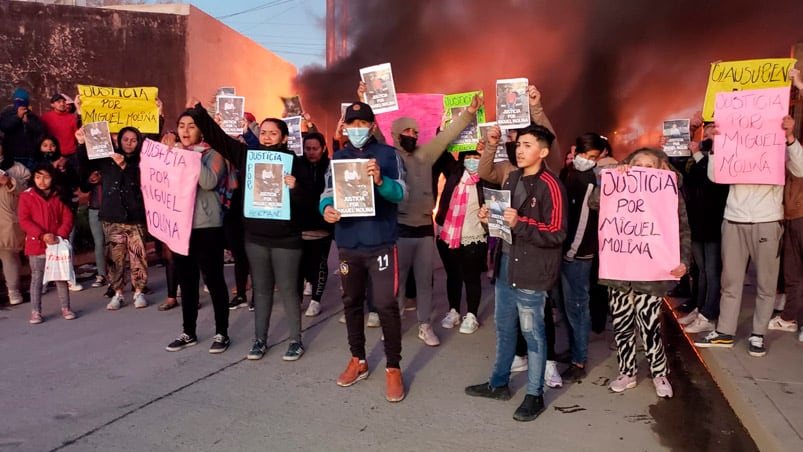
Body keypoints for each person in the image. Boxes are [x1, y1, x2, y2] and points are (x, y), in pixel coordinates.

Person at [188, 100, 307, 361]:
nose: (266, 137)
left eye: (273, 133)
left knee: (288, 291)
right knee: (261, 291)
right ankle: (259, 340)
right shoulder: (248, 156)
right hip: (255, 237)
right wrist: (200, 113)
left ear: (285, 137)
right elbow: (220, 140)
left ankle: (296, 340)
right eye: (263, 132)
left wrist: (295, 187)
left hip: (287, 239)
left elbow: (308, 202)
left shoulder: (295, 163)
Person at [465, 124, 566, 422]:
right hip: (506, 262)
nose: (520, 149)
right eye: (519, 144)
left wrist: (520, 223)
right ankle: (498, 383)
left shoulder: (552, 185)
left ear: (543, 152)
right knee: (504, 328)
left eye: (528, 145)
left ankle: (534, 394)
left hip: (534, 271)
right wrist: (488, 220)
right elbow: (502, 226)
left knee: (532, 334)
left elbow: (557, 232)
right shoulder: (511, 178)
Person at [320, 101, 407, 402]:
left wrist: (381, 181)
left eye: (362, 124)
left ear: (372, 126)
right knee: (351, 302)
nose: (356, 129)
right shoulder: (339, 157)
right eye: (351, 124)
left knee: (385, 305)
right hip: (348, 243)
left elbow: (401, 193)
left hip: (380, 242)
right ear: (344, 127)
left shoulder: (388, 155)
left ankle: (393, 367)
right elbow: (327, 194)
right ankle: (358, 359)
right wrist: (326, 209)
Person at [695, 115, 803, 356]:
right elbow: (715, 177)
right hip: (734, 219)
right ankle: (725, 332)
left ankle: (758, 334)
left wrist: (789, 137)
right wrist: (715, 145)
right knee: (730, 281)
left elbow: (800, 169)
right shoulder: (733, 146)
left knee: (766, 284)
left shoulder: (778, 145)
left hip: (767, 221)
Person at [392, 93, 483, 345]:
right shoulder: (389, 156)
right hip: (398, 229)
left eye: (414, 131)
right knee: (397, 282)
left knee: (423, 280)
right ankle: (394, 324)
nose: (411, 135)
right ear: (396, 133)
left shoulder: (425, 154)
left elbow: (446, 136)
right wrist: (366, 97)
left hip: (422, 230)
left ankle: (424, 325)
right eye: (406, 131)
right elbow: (369, 137)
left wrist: (469, 113)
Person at [600, 148, 690, 398]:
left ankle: (659, 373)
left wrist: (684, 261)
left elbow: (682, 229)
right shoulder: (617, 185)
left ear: (661, 169)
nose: (642, 168)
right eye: (636, 163)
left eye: (649, 165)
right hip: (618, 273)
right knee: (622, 325)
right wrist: (615, 176)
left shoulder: (670, 195)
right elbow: (595, 202)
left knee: (649, 326)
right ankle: (626, 371)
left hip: (649, 276)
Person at [164, 111, 232, 354]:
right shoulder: (172, 154)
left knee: (213, 280)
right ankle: (188, 331)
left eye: (191, 126)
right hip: (180, 227)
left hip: (207, 227)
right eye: (181, 125)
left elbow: (208, 182)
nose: (184, 131)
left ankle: (222, 332)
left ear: (201, 131)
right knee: (187, 281)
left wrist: (184, 155)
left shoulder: (213, 154)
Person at [77, 126, 149, 309]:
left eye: (133, 140)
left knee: (138, 256)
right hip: (112, 215)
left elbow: (140, 180)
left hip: (135, 216)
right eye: (126, 139)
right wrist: (81, 143)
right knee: (115, 257)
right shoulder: (107, 158)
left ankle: (139, 291)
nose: (129, 143)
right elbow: (84, 165)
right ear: (119, 141)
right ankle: (117, 292)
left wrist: (124, 166)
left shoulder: (143, 159)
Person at [558, 133, 608, 383]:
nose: (588, 161)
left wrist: (570, 251)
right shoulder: (568, 173)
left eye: (593, 158)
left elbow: (584, 222)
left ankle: (579, 359)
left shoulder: (590, 180)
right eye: (585, 155)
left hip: (578, 255)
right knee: (568, 307)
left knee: (578, 307)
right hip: (567, 252)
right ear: (575, 150)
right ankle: (573, 349)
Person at [677, 124, 728, 334]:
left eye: (710, 134)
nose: (706, 137)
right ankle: (700, 308)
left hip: (713, 223)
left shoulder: (719, 159)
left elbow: (711, 180)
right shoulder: (697, 158)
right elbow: (684, 175)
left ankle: (709, 313)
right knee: (701, 271)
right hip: (697, 222)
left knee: (712, 271)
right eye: (705, 134)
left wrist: (699, 154)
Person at [436, 144, 488, 336]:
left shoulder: (487, 179)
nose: (473, 160)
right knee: (453, 276)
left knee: (472, 277)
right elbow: (441, 151)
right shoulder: (454, 173)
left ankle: (472, 314)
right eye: (469, 156)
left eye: (477, 156)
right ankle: (454, 311)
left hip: (473, 237)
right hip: (448, 235)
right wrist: (444, 127)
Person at [18, 163, 76, 324]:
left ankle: (66, 307)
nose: (41, 181)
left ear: (53, 178)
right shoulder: (27, 196)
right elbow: (24, 220)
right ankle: (35, 311)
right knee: (37, 278)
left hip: (57, 244)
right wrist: (41, 235)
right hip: (36, 244)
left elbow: (67, 217)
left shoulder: (59, 195)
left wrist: (60, 235)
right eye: (38, 177)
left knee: (61, 277)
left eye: (46, 177)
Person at [769, 69, 803, 340]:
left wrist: (799, 85)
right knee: (792, 272)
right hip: (791, 212)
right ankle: (791, 316)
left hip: (799, 211)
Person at [297, 132, 334, 317]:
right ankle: (301, 294)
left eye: (315, 149)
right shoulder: (297, 165)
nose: (311, 152)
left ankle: (316, 300)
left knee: (319, 263)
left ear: (323, 149)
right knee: (301, 264)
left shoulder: (330, 167)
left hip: (323, 226)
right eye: (308, 148)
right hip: (301, 226)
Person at [0, 132, 30, 305]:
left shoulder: (16, 167)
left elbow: (27, 190)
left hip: (7, 220)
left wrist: (9, 181)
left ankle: (13, 291)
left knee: (9, 256)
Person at [0, 88, 46, 169]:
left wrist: (27, 122)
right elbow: (5, 127)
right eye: (17, 100)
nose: (19, 102)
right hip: (11, 156)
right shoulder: (7, 114)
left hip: (30, 156)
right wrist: (18, 117)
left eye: (22, 100)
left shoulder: (32, 117)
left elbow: (40, 131)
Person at [40, 93, 79, 165]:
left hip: (70, 155)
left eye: (64, 102)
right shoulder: (45, 118)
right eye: (58, 102)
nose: (62, 104)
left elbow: (77, 136)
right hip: (52, 154)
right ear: (52, 104)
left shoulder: (72, 118)